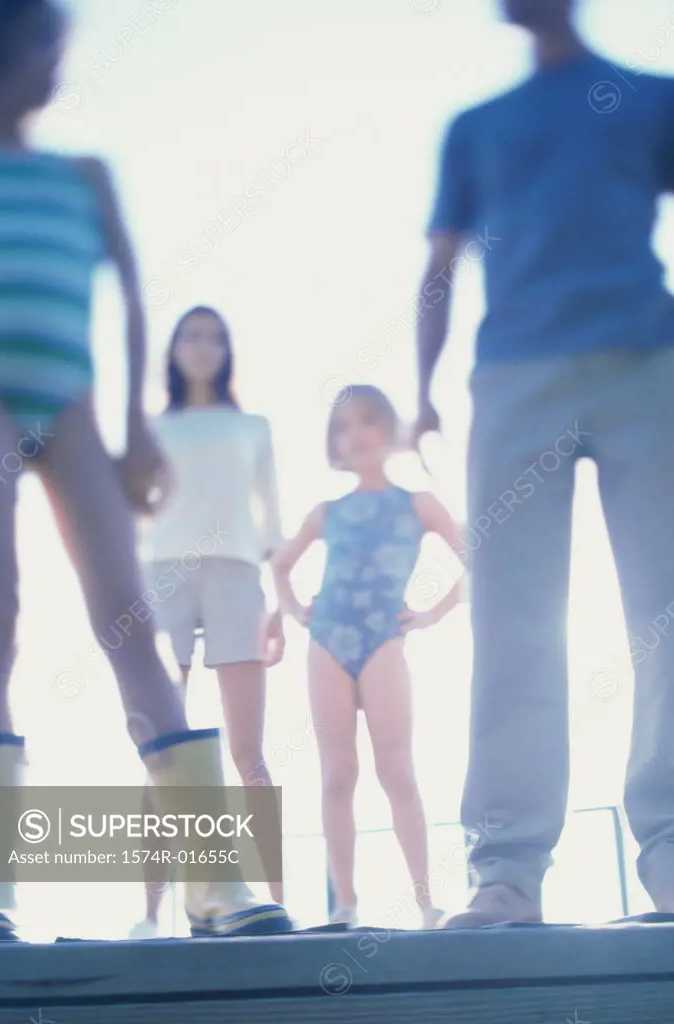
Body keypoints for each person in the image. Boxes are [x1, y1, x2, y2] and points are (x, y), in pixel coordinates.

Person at [0, 0, 291, 940]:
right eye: (46, 47)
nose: (56, 65)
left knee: (129, 621)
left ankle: (216, 885)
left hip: (71, 404)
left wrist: (130, 427)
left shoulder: (83, 173)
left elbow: (125, 296)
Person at [414, 0, 674, 928]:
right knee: (514, 620)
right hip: (515, 380)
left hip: (647, 368)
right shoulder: (476, 128)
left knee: (666, 610)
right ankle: (509, 874)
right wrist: (423, 390)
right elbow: (439, 266)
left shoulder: (651, 100)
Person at [272, 385, 466, 928]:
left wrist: (432, 613)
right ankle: (346, 905)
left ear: (387, 429)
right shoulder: (326, 511)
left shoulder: (418, 503)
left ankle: (427, 903)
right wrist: (294, 611)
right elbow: (280, 566)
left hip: (384, 638)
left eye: (367, 421)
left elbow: (475, 557)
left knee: (397, 770)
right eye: (343, 426)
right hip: (329, 639)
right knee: (337, 774)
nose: (355, 434)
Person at [129, 305, 287, 938]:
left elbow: (272, 522)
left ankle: (276, 900)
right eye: (192, 335)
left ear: (227, 351)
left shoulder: (254, 425)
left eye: (215, 337)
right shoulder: (150, 426)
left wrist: (278, 604)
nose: (204, 347)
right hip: (161, 577)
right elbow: (128, 509)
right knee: (164, 755)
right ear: (172, 350)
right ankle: (148, 914)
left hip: (237, 577)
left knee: (249, 753)